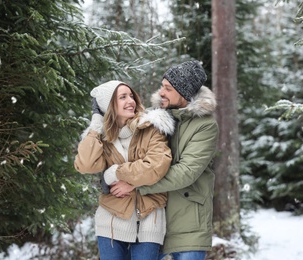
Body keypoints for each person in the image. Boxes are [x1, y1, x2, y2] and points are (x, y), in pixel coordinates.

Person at [111, 61, 219, 260]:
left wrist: (136, 185)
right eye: (162, 86)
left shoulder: (205, 126)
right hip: (153, 219)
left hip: (189, 223)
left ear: (184, 93)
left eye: (168, 88)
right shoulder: (157, 119)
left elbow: (186, 172)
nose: (161, 92)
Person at [74, 80, 175, 260]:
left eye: (131, 96)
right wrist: (96, 124)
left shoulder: (151, 128)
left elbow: (157, 165)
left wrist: (116, 172)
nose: (130, 101)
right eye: (122, 97)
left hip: (149, 218)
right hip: (111, 220)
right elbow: (86, 165)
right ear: (109, 105)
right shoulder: (103, 138)